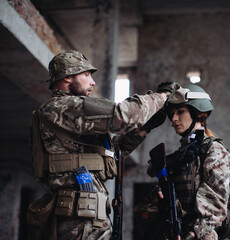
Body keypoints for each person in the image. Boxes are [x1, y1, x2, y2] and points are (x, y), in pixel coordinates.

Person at [28, 50, 177, 240]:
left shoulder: (69, 117)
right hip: (80, 222)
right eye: (87, 75)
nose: (92, 82)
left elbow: (110, 155)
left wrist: (143, 129)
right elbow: (123, 115)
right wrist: (162, 97)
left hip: (86, 218)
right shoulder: (62, 107)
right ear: (68, 77)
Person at [143, 84, 230, 240]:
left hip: (201, 235)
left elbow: (216, 206)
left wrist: (192, 234)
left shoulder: (214, 150)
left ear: (198, 114)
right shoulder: (183, 154)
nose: (174, 119)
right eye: (171, 114)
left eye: (180, 112)